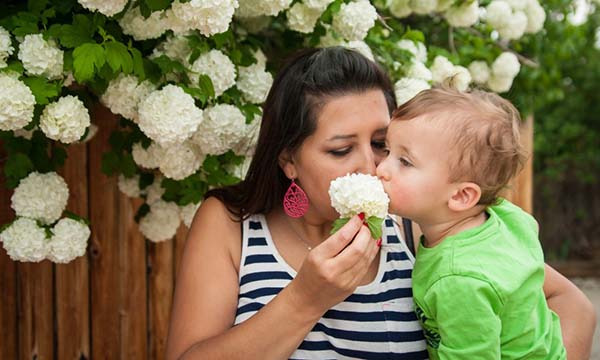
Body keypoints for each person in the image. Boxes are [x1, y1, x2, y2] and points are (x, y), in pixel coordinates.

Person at [165, 47, 596, 360]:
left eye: (381, 144)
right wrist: (304, 300)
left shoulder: (422, 222)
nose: (374, 167)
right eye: (340, 150)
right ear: (289, 160)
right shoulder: (230, 225)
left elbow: (571, 305)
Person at [377, 87, 569, 358]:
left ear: (461, 195)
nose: (381, 169)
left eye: (405, 162)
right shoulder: (505, 218)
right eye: (386, 150)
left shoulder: (458, 280)